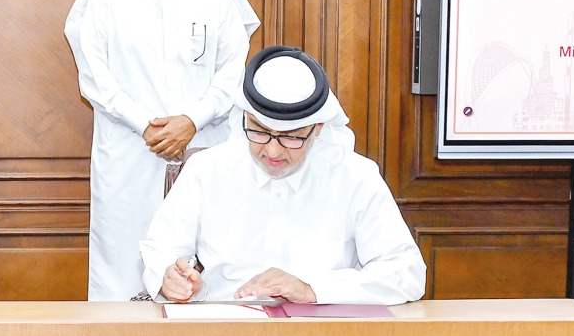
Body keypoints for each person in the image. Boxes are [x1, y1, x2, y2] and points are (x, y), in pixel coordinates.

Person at [65, 0, 260, 301]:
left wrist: (191, 120)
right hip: (131, 151)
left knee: (200, 257)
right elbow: (96, 77)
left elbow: (231, 73)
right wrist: (147, 124)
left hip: (203, 148)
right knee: (123, 261)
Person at [139, 46, 426, 305]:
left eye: (291, 138)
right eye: (260, 131)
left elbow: (407, 273)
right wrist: (169, 278)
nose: (273, 151)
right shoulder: (207, 170)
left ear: (318, 129)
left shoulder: (355, 177)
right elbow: (160, 250)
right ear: (244, 119)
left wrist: (312, 289)